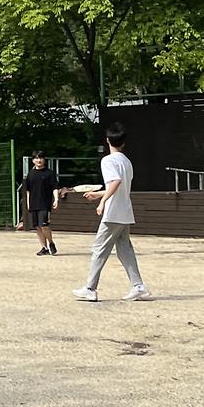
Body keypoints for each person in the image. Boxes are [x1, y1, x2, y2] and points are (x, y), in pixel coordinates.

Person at [72, 124, 150, 302]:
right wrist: (99, 195)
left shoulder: (107, 161)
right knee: (125, 250)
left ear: (108, 140)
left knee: (99, 249)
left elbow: (115, 182)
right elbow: (118, 186)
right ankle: (138, 286)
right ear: (123, 143)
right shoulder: (126, 162)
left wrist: (102, 201)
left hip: (113, 213)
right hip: (124, 212)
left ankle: (90, 288)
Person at [16, 151, 60, 255]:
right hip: (33, 203)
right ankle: (44, 248)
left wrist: (56, 199)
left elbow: (55, 187)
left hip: (44, 203)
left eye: (40, 158)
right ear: (33, 160)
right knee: (38, 227)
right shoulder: (30, 174)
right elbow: (28, 191)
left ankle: (51, 243)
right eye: (36, 158)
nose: (39, 160)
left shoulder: (49, 173)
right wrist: (28, 203)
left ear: (44, 160)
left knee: (44, 225)